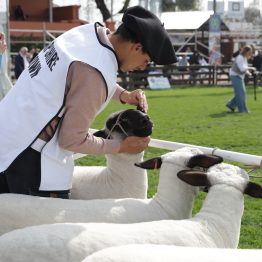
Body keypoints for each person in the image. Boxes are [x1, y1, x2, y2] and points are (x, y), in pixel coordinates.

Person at [0, 6, 176, 199]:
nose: (143, 66)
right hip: (29, 163)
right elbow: (72, 139)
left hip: (8, 137)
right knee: (39, 228)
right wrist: (121, 147)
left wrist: (123, 95)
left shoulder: (86, 34)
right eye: (146, 60)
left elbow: (77, 79)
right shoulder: (94, 73)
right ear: (137, 47)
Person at [226, 45, 255, 113]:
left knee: (240, 93)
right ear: (246, 51)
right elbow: (242, 69)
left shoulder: (244, 58)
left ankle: (230, 105)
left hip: (239, 76)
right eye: (249, 52)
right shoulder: (240, 58)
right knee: (241, 93)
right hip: (235, 76)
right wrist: (251, 68)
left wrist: (249, 74)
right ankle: (242, 110)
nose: (250, 53)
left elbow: (244, 68)